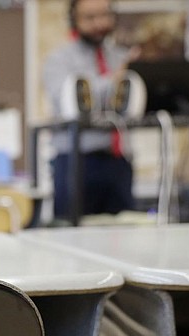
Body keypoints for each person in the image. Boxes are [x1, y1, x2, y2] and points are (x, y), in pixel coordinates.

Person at [42, 0, 138, 219]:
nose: (98, 23)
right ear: (74, 20)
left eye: (103, 15)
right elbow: (73, 100)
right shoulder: (59, 60)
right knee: (72, 235)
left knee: (123, 233)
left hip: (118, 160)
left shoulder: (119, 56)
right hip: (77, 160)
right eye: (90, 17)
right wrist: (114, 80)